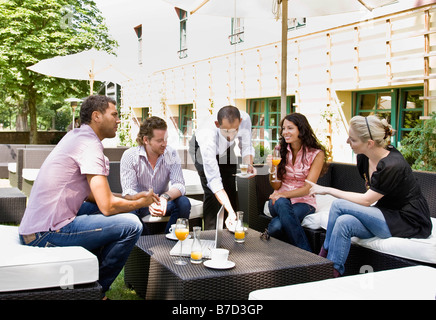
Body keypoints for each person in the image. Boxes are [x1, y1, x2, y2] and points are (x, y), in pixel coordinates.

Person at [18, 95, 159, 298]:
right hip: (45, 232)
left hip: (38, 225)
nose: (119, 120)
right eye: (114, 114)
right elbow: (107, 206)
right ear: (96, 116)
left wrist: (133, 197)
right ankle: (95, 291)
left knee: (119, 212)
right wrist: (140, 203)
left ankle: (87, 278)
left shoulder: (76, 136)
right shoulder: (90, 145)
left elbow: (94, 196)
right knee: (132, 224)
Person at [307, 115, 432, 277]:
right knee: (344, 222)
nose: (347, 142)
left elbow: (366, 200)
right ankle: (332, 273)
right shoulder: (363, 159)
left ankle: (323, 255)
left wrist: (327, 190)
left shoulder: (393, 165)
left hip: (408, 220)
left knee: (338, 205)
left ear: (369, 143)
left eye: (352, 139)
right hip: (385, 213)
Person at [263, 113, 328, 252]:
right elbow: (276, 186)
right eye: (283, 128)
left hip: (304, 201)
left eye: (290, 128)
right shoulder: (279, 150)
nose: (285, 132)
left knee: (276, 227)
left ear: (301, 129)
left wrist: (283, 195)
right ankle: (308, 255)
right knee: (280, 202)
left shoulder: (316, 154)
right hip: (278, 200)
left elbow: (308, 188)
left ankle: (285, 255)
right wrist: (273, 167)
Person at [189, 105, 256, 230]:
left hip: (225, 149)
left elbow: (246, 145)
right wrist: (230, 210)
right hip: (200, 149)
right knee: (212, 193)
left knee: (230, 186)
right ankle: (210, 236)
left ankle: (231, 228)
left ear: (240, 122)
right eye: (226, 131)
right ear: (216, 124)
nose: (231, 136)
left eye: (235, 130)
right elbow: (214, 181)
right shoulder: (207, 135)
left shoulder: (245, 119)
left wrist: (249, 164)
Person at [121, 116, 191, 234]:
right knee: (128, 212)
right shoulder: (130, 156)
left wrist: (164, 198)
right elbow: (128, 192)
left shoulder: (171, 153)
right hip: (139, 204)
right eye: (159, 141)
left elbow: (179, 184)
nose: (164, 144)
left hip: (163, 202)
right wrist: (147, 201)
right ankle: (146, 244)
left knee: (183, 202)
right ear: (146, 140)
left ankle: (169, 239)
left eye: (166, 139)